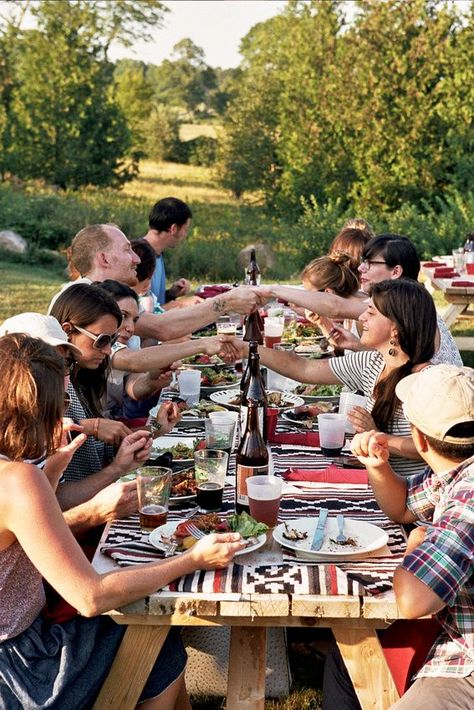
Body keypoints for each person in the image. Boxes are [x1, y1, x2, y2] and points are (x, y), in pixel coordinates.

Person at [0, 332, 245, 709]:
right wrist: (192, 559)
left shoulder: (20, 476)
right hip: (23, 669)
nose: (65, 413)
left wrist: (50, 474)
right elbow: (91, 597)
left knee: (153, 637)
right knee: (150, 631)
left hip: (16, 645)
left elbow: (17, 535)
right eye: (60, 401)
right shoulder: (17, 480)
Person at [323, 364, 474, 709]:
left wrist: (416, 546)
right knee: (346, 659)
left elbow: (413, 602)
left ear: (419, 439)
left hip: (466, 659)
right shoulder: (456, 470)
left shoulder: (468, 497)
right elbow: (405, 507)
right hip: (454, 630)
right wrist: (378, 466)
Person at [231, 279, 437, 476]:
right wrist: (246, 349)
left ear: (394, 328)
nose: (362, 317)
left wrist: (376, 436)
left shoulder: (426, 380)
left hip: (410, 491)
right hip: (377, 480)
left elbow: (429, 446)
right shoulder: (372, 363)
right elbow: (302, 368)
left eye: (371, 313)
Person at [267, 233, 463, 367]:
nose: (361, 268)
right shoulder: (403, 299)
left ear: (396, 271)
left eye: (370, 263)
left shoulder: (404, 304)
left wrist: (270, 291)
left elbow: (336, 307)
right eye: (363, 262)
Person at [50, 223, 263, 342]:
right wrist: (228, 301)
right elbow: (163, 327)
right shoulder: (84, 298)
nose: (137, 259)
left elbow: (162, 324)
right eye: (127, 250)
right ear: (104, 259)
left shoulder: (106, 294)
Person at [95, 280, 239, 420]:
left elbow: (133, 388)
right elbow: (133, 360)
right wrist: (201, 345)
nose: (130, 327)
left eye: (134, 320)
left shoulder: (129, 340)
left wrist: (152, 381)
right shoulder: (99, 340)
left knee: (164, 428)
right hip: (96, 431)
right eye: (123, 316)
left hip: (115, 424)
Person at [142, 196, 193, 307]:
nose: (185, 234)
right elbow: (140, 314)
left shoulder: (157, 254)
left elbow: (153, 303)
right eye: (185, 229)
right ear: (173, 228)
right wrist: (180, 304)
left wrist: (171, 294)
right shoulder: (139, 257)